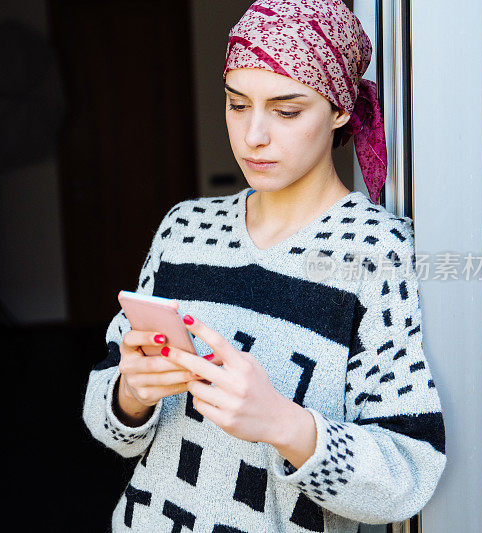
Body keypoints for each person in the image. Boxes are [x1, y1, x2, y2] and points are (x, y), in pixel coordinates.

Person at [82, 1, 446, 531]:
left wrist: (284, 424)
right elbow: (107, 419)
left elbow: (409, 474)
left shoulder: (378, 252)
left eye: (287, 110)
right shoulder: (184, 230)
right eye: (236, 104)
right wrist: (131, 394)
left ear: (341, 110)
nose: (253, 136)